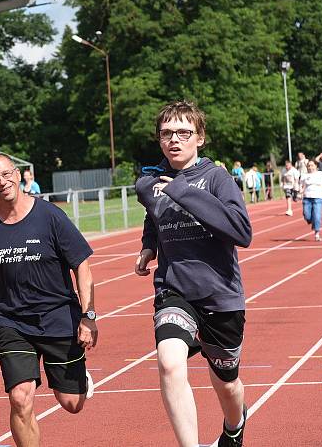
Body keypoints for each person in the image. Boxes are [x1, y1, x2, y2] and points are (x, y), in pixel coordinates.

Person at [0, 153, 97, 447]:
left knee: (72, 403)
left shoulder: (50, 216)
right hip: (12, 321)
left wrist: (88, 316)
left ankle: (78, 378)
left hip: (58, 318)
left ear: (17, 175)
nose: (2, 182)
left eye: (6, 174)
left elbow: (82, 265)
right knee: (20, 397)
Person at [134, 101, 251, 447]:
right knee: (170, 364)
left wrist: (182, 191)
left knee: (226, 382)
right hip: (174, 290)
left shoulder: (217, 178)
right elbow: (153, 215)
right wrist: (148, 245)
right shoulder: (148, 183)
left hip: (220, 293)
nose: (175, 140)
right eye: (167, 133)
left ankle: (235, 424)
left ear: (199, 138)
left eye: (184, 132)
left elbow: (241, 233)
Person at [299, 160, 322, 241]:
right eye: (309, 166)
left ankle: (317, 233)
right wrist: (300, 191)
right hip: (307, 197)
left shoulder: (321, 174)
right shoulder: (304, 175)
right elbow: (301, 185)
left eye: (312, 165)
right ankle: (312, 222)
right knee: (307, 215)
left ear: (316, 166)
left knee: (317, 215)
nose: (310, 167)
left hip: (318, 197)